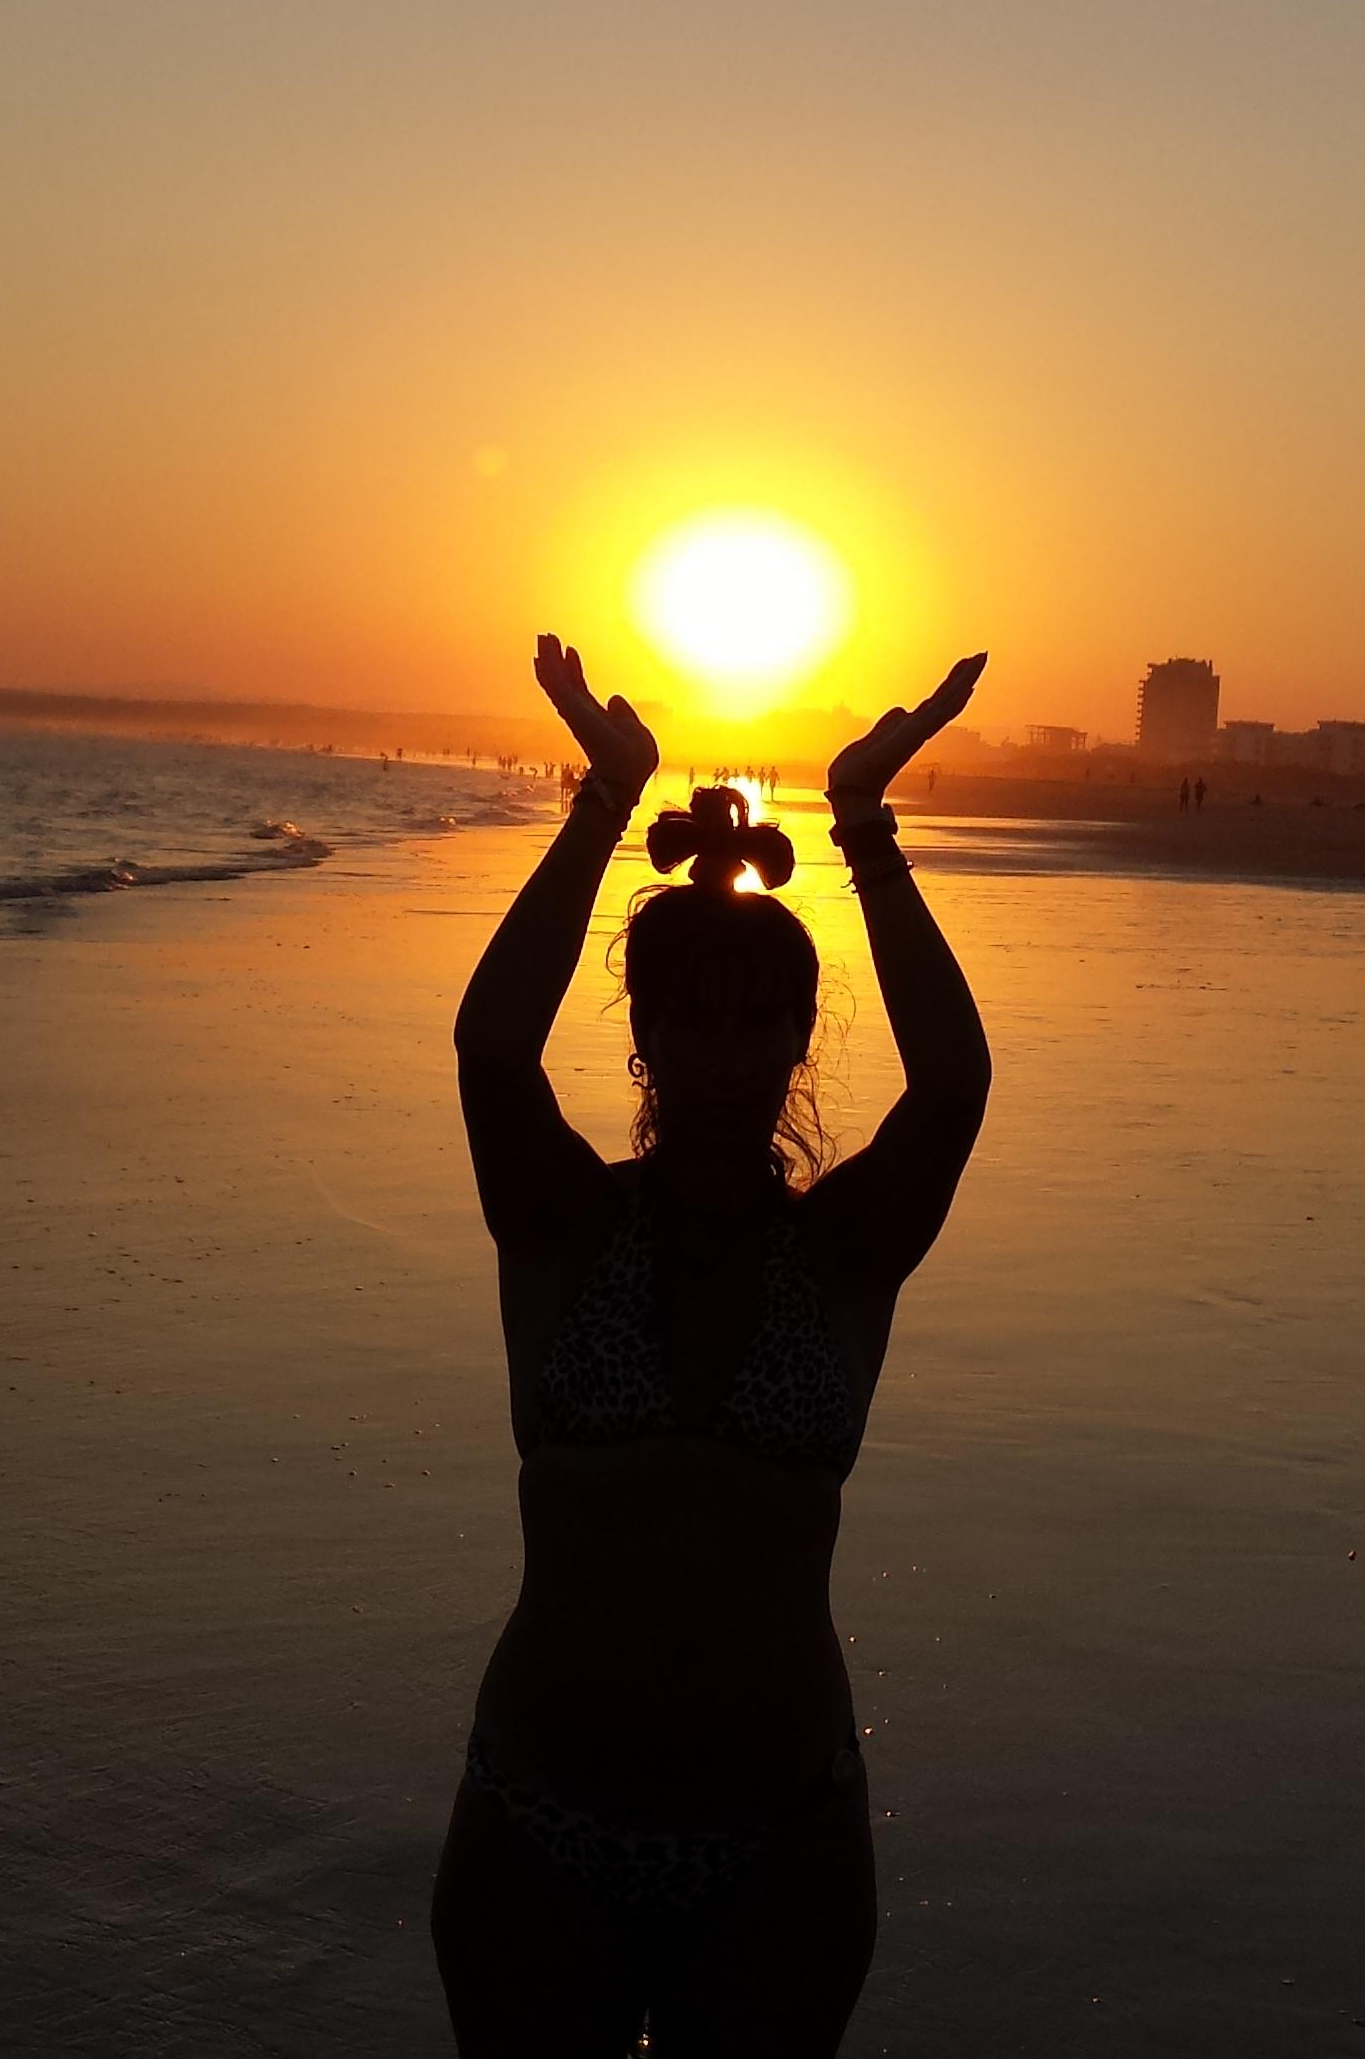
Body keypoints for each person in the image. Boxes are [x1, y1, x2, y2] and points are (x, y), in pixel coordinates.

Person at [435, 633, 991, 2056]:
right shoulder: (561, 1224)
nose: (730, 1053)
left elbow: (954, 1084)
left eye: (765, 1023)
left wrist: (866, 828)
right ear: (646, 1032)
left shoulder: (846, 1250)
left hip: (778, 1841)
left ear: (803, 1038)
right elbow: (493, 1053)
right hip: (537, 1823)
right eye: (696, 1017)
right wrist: (602, 801)